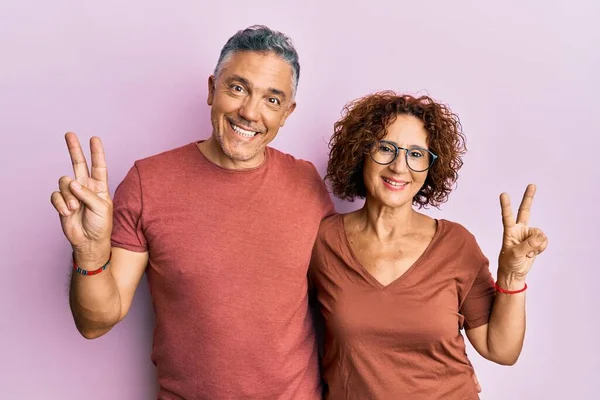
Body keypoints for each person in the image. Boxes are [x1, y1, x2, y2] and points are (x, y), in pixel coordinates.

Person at [50, 25, 335, 399]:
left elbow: (344, 302)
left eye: (272, 99)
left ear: (287, 113)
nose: (249, 112)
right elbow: (95, 322)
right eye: (237, 88)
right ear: (211, 89)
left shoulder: (306, 183)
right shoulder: (147, 182)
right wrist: (89, 252)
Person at [309, 91, 549, 399]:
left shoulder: (456, 245)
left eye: (416, 154)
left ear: (430, 167)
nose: (399, 166)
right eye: (385, 148)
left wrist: (512, 277)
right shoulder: (323, 241)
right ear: (361, 152)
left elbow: (500, 349)